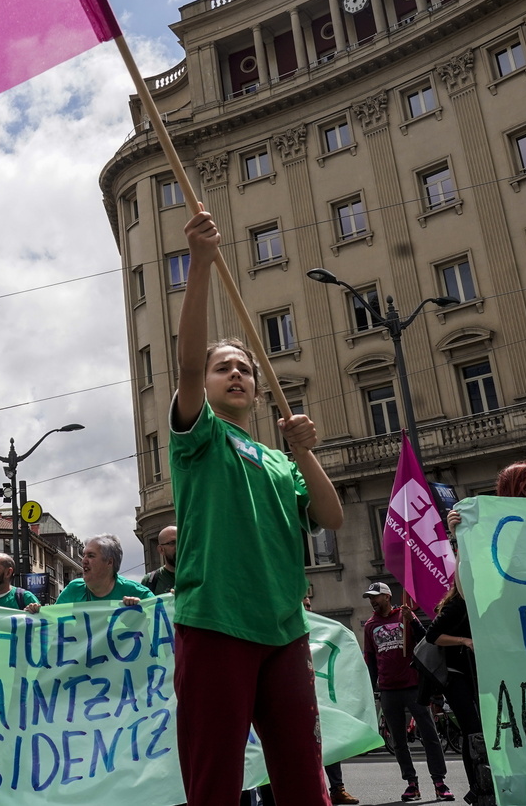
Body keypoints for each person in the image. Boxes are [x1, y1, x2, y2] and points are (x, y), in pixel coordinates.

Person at [170, 206, 345, 806]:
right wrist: (198, 265)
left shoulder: (276, 459)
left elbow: (331, 516)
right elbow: (188, 364)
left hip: (284, 630)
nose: (236, 374)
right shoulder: (201, 438)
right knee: (214, 780)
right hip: (216, 621)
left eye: (245, 369)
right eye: (225, 369)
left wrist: (304, 453)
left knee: (304, 779)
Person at [362, 582, 453, 802]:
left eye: (376, 596)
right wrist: (371, 687)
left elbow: (426, 641)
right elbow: (370, 659)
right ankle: (411, 783)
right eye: (369, 598)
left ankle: (439, 782)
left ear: (387, 596)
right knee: (398, 740)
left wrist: (412, 620)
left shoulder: (404, 616)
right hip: (388, 689)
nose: (372, 601)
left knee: (429, 735)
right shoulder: (370, 626)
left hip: (413, 686)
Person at [428, 583, 491, 806]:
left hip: (476, 675)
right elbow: (432, 635)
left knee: (478, 731)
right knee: (472, 730)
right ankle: (477, 786)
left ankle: (482, 783)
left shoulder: (480, 604)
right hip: (457, 677)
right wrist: (463, 641)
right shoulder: (457, 605)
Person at [302, 592, 358, 805]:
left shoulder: (321, 632)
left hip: (321, 699)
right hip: (299, 701)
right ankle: (315, 791)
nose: (308, 610)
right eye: (304, 606)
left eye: (309, 606)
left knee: (329, 741)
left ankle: (337, 788)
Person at [51, 535, 150, 605]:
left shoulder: (137, 593)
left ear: (109, 562)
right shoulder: (74, 589)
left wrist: (142, 610)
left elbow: (161, 619)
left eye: (91, 556)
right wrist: (36, 613)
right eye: (84, 555)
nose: (84, 561)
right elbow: (51, 623)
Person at [142, 525, 177, 595]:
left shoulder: (200, 574)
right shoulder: (150, 580)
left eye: (182, 541)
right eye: (172, 543)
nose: (178, 546)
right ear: (161, 550)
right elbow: (144, 605)